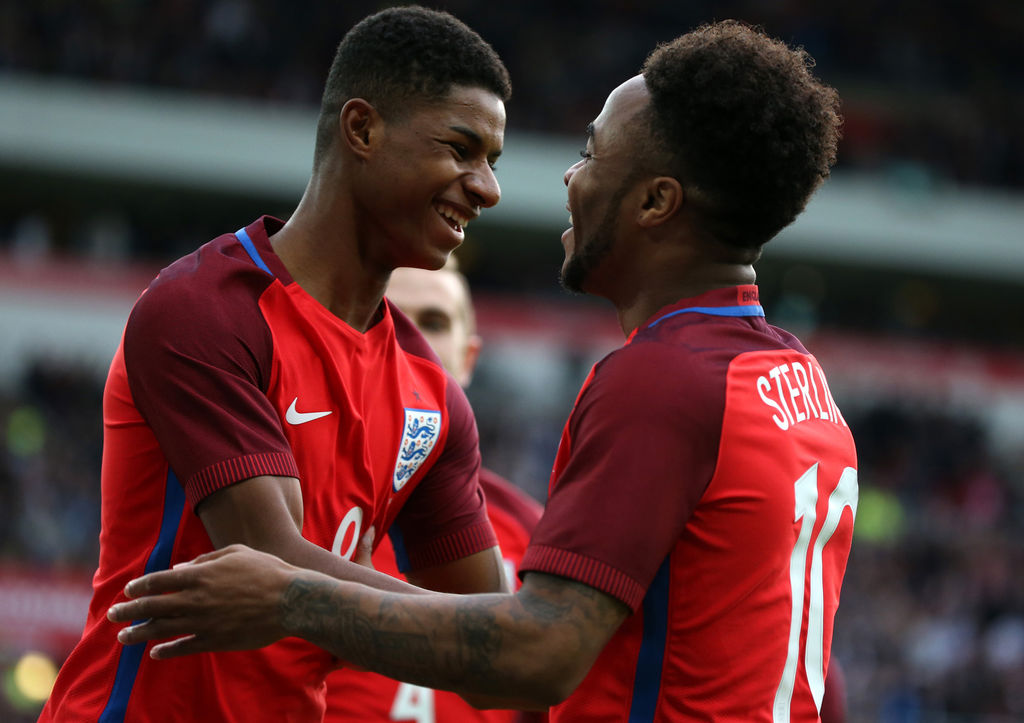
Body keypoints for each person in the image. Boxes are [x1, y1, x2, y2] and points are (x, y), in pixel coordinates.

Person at [109, 20, 858, 721]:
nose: (503, 187)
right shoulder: (800, 385)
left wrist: (296, 596)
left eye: (591, 153)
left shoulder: (656, 380)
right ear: (361, 129)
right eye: (463, 150)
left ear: (657, 201)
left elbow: (529, 648)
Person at [41, 7, 513, 723]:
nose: (487, 188)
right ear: (362, 129)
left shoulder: (435, 399)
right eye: (461, 149)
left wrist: (501, 636)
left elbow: (497, 672)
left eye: (493, 162)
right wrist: (484, 630)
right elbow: (271, 563)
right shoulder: (206, 310)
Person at [324, 260, 546, 722]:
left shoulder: (532, 536)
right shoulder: (284, 506)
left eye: (433, 322)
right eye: (387, 316)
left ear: (468, 359)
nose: (408, 341)